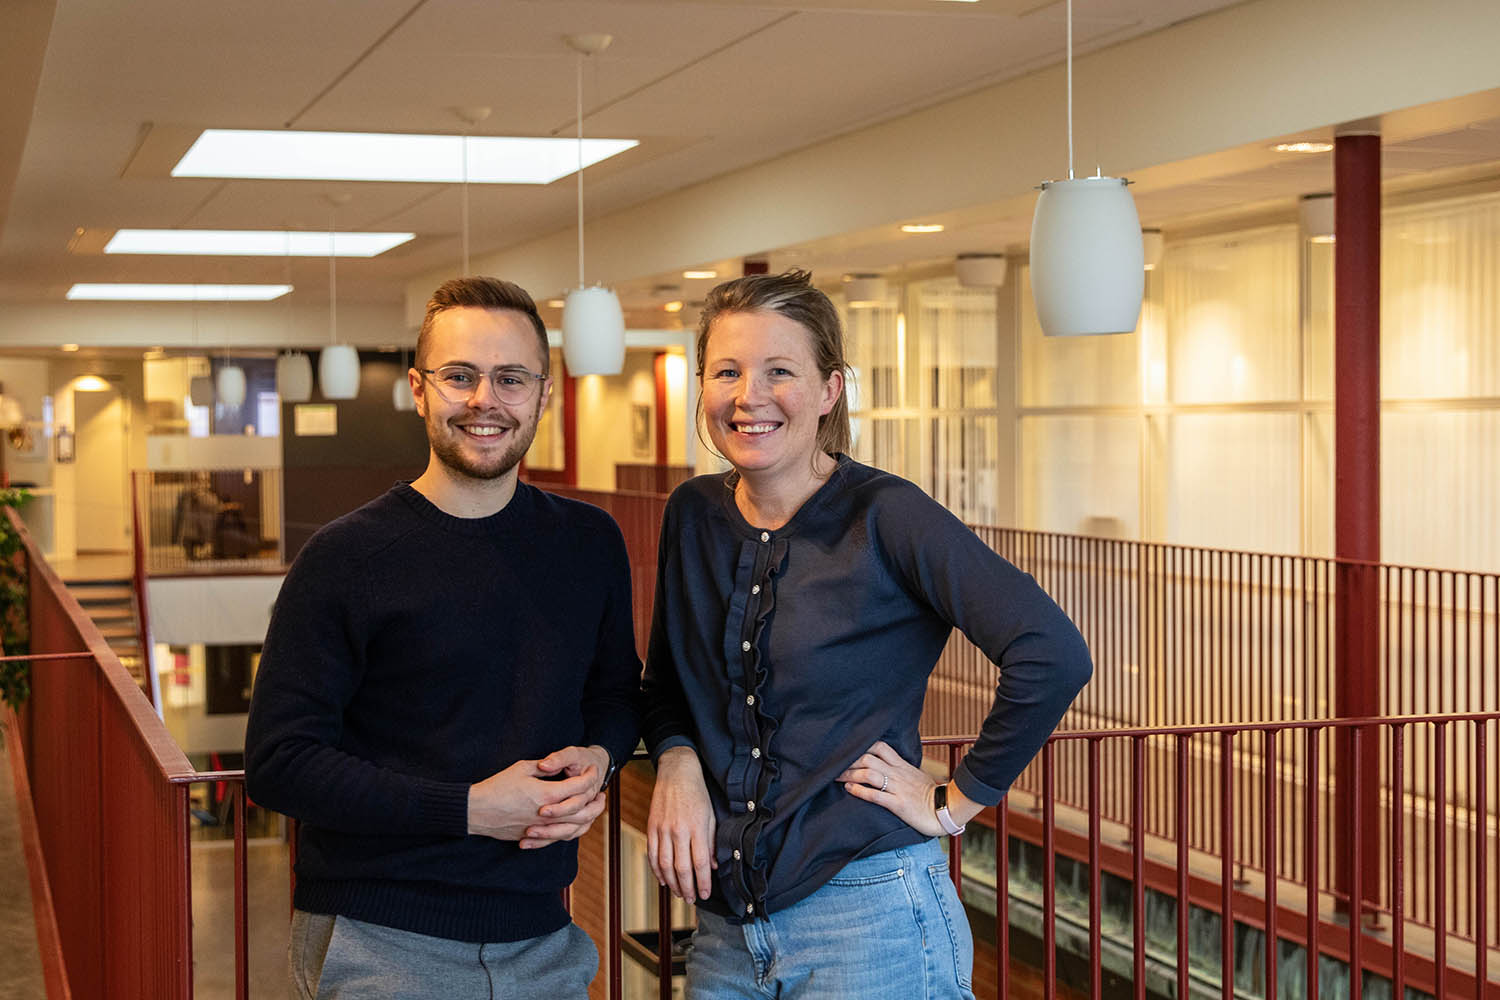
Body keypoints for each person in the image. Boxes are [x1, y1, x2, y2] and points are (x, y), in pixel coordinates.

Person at [641, 269, 1091, 999]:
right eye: (727, 371)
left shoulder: (888, 515)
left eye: (778, 370)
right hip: (725, 935)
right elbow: (665, 684)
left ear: (828, 390)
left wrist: (954, 801)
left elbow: (1052, 652)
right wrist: (676, 760)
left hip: (871, 920)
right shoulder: (691, 515)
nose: (748, 395)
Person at [245, 276, 641, 1000]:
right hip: (380, 940)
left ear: (543, 396)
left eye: (510, 378)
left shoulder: (590, 544)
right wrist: (468, 808)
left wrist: (601, 756)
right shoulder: (344, 557)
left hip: (545, 941)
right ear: (421, 390)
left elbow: (616, 693)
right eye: (460, 376)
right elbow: (279, 762)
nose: (485, 400)